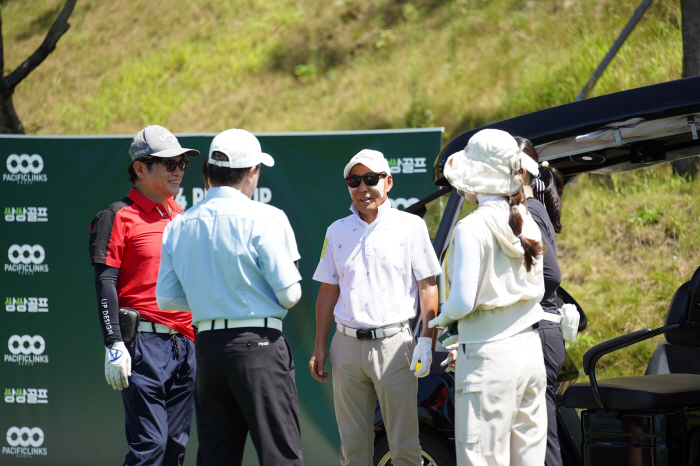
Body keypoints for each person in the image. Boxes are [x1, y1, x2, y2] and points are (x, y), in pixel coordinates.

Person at [156, 128, 304, 466]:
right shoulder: (267, 217)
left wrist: (213, 298)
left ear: (209, 169)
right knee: (280, 455)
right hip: (260, 346)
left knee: (215, 457)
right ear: (251, 173)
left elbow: (167, 300)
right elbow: (291, 294)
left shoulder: (179, 224)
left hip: (208, 348)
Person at [309, 149, 441, 466]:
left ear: (388, 181)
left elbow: (428, 286)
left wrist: (427, 339)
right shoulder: (336, 230)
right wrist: (320, 346)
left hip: (395, 345)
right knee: (353, 450)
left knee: (405, 447)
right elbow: (328, 291)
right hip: (347, 346)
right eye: (354, 180)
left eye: (371, 178)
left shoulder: (410, 226)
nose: (363, 187)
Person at [429, 129, 547, 466]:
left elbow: (463, 300)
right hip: (529, 350)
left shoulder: (471, 228)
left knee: (482, 458)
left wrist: (442, 317)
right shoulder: (527, 220)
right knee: (528, 459)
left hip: (489, 356)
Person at [88, 125, 199, 466]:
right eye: (169, 163)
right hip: (142, 346)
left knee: (174, 447)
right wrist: (114, 343)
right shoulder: (117, 215)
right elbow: (105, 282)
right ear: (140, 168)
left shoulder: (181, 215)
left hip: (186, 344)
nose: (178, 170)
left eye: (182, 163)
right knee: (149, 447)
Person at [515, 135, 566, 466]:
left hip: (536, 333)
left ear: (520, 171)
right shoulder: (532, 208)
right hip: (540, 332)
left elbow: (550, 276)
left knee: (538, 443)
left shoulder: (526, 211)